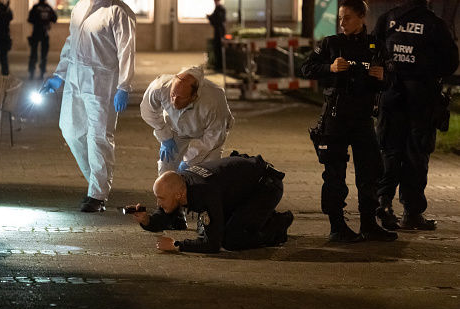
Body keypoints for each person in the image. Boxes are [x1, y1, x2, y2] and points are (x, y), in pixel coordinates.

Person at [301, 0, 398, 243]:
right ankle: (337, 226)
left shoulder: (374, 46)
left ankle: (369, 224)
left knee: (369, 173)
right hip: (336, 118)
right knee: (334, 174)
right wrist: (329, 67)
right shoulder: (331, 43)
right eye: (340, 18)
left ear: (362, 18)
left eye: (348, 18)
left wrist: (383, 76)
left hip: (363, 119)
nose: (342, 23)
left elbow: (391, 80)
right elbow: (306, 68)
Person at [40, 0, 136, 212]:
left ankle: (98, 194)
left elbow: (126, 49)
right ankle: (96, 181)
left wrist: (124, 86)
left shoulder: (118, 11)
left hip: (102, 81)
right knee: (70, 129)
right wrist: (59, 75)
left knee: (99, 136)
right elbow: (71, 41)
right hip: (75, 79)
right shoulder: (81, 6)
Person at [372, 0, 459, 231]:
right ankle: (411, 214)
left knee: (389, 151)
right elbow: (451, 61)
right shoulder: (434, 24)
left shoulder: (388, 19)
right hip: (422, 100)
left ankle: (384, 205)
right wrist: (429, 74)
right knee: (416, 155)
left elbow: (373, 50)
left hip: (391, 96)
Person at [132, 153, 293, 254]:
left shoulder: (203, 192)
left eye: (161, 198)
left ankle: (278, 226)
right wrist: (147, 220)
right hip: (242, 190)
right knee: (217, 228)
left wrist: (177, 245)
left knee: (231, 240)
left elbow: (212, 245)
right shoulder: (181, 186)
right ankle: (258, 219)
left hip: (266, 188)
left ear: (178, 194)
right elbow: (165, 213)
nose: (158, 203)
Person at [140, 65, 234, 176]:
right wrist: (164, 135)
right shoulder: (161, 86)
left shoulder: (214, 100)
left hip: (207, 133)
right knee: (166, 165)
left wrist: (189, 161)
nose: (175, 101)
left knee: (205, 172)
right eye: (173, 95)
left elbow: (214, 136)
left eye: (181, 98)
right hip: (176, 128)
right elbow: (148, 110)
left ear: (194, 96)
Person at [27, 0, 57, 80]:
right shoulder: (48, 8)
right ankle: (42, 72)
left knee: (34, 54)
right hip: (45, 33)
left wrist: (38, 21)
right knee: (44, 55)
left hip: (36, 33)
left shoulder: (35, 7)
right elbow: (55, 19)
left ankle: (32, 72)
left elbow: (29, 19)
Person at [207, 0, 226, 72]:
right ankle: (218, 65)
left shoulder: (220, 9)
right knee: (217, 48)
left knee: (219, 48)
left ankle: (219, 65)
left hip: (220, 32)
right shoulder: (218, 9)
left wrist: (211, 18)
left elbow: (218, 21)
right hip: (218, 31)